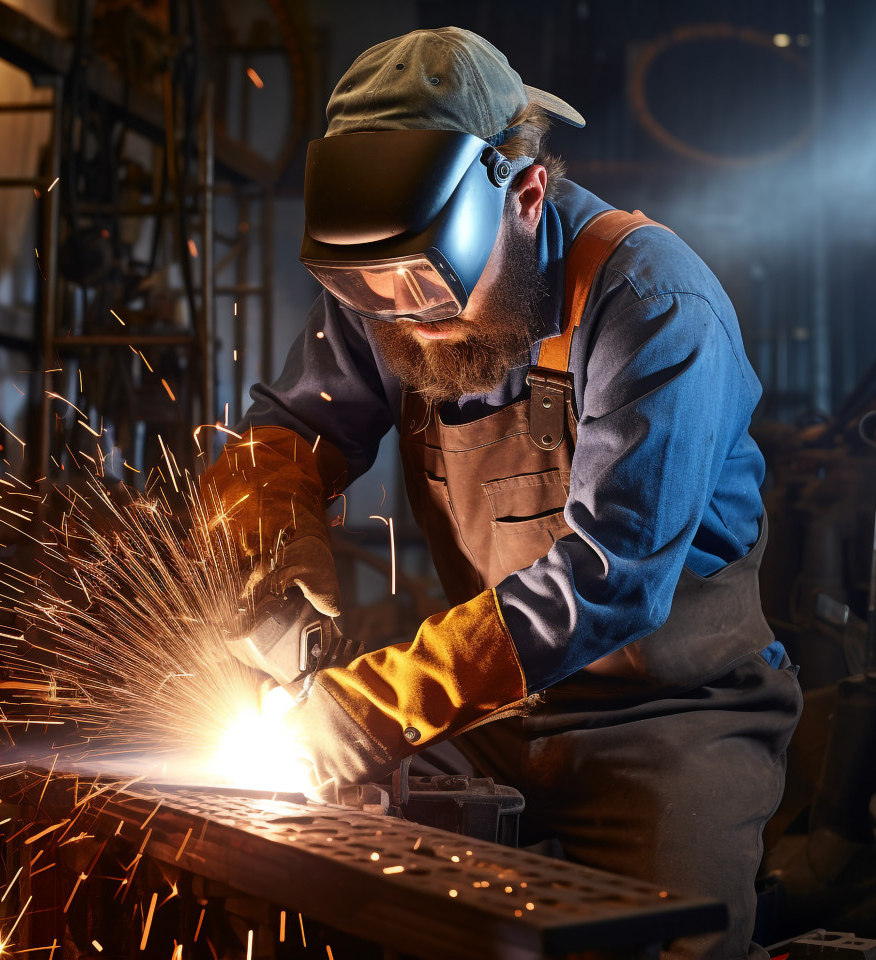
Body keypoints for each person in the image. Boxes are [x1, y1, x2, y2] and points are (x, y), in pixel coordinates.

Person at [199, 27, 802, 960]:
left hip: (669, 720)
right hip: (489, 714)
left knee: (669, 941)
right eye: (371, 292)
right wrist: (272, 564)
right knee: (333, 890)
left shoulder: (652, 304)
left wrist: (371, 708)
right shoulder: (389, 286)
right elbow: (289, 433)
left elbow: (610, 580)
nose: (406, 318)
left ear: (525, 195)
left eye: (429, 286)